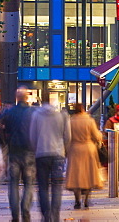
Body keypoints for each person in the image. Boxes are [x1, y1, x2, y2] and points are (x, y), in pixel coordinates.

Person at [0, 86, 35, 222]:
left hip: (14, 151)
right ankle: (25, 210)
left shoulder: (10, 112)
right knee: (28, 183)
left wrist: (6, 133)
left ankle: (14, 215)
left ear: (16, 98)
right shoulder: (32, 112)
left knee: (13, 184)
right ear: (27, 98)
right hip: (29, 151)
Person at [29, 94, 69, 222]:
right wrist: (64, 149)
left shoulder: (36, 115)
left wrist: (36, 149)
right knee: (57, 186)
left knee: (43, 186)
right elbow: (68, 136)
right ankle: (55, 215)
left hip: (41, 154)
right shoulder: (62, 115)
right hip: (58, 154)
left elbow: (32, 136)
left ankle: (46, 215)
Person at [65, 103, 102, 210]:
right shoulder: (89, 120)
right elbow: (96, 136)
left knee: (76, 176)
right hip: (88, 149)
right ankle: (86, 200)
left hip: (75, 149)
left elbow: (67, 137)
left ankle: (77, 200)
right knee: (88, 175)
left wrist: (66, 150)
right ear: (83, 109)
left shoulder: (70, 121)